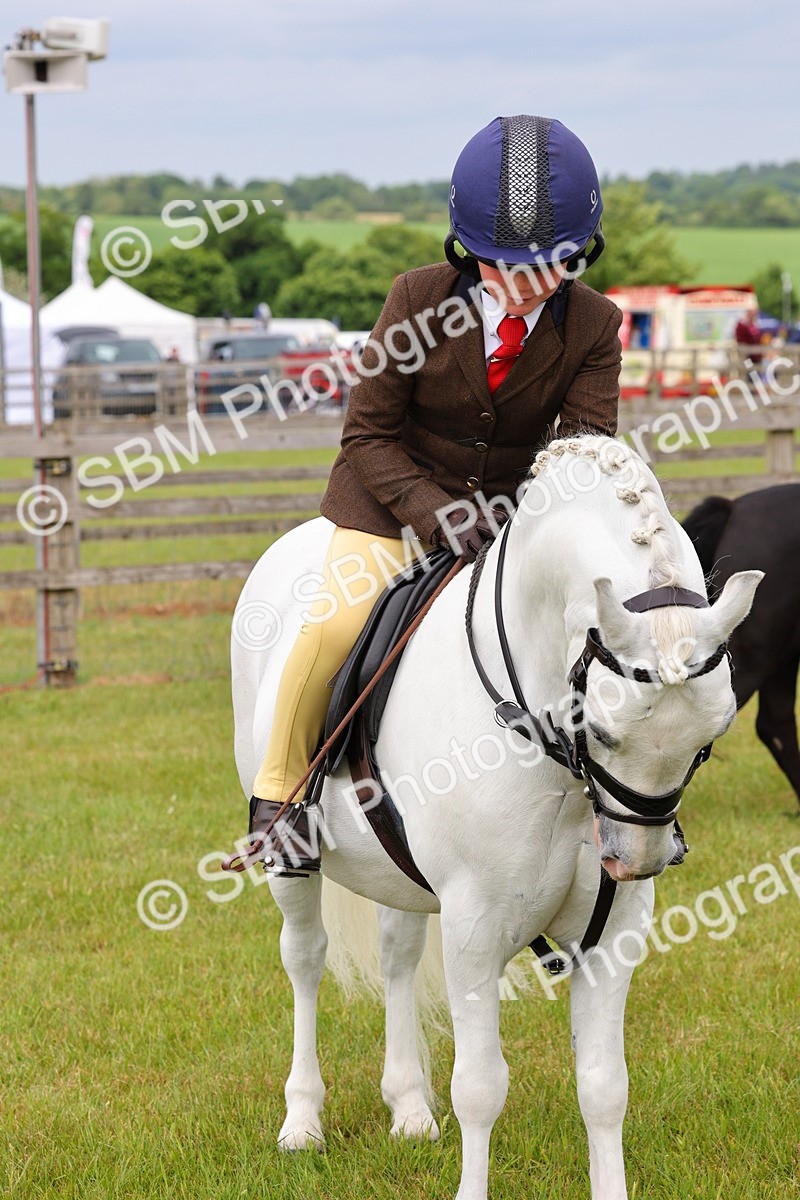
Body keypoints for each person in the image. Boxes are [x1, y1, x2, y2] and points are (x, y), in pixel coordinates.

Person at [246, 114, 623, 876]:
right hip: (389, 500)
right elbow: (366, 436)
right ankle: (279, 798)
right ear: (467, 251)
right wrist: (439, 513)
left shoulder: (594, 323)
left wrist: (525, 524)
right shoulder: (416, 298)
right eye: (502, 269)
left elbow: (582, 455)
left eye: (547, 269)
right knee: (333, 625)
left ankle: (612, 809)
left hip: (513, 518)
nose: (524, 288)